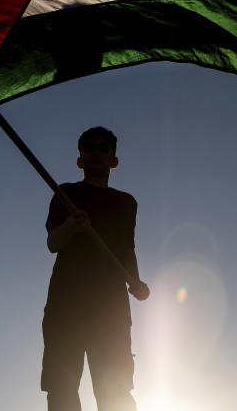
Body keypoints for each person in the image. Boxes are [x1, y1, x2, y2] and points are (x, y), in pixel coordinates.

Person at [42, 126, 151, 411]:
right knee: (61, 387)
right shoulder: (65, 193)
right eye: (88, 148)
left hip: (111, 308)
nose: (96, 153)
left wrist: (136, 283)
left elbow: (127, 250)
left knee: (115, 387)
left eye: (104, 148)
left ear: (114, 160)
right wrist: (71, 226)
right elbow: (53, 242)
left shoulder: (126, 203)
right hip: (66, 304)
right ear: (79, 160)